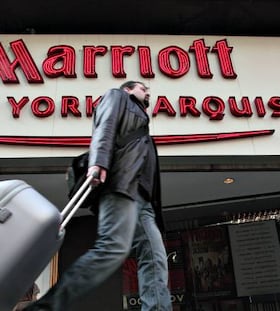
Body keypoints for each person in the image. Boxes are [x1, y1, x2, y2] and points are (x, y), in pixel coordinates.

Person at [24, 81, 172, 311]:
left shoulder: (142, 125)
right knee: (111, 249)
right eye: (144, 88)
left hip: (143, 202)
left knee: (155, 258)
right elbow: (105, 126)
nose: (148, 92)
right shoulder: (117, 97)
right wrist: (99, 162)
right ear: (128, 89)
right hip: (121, 186)